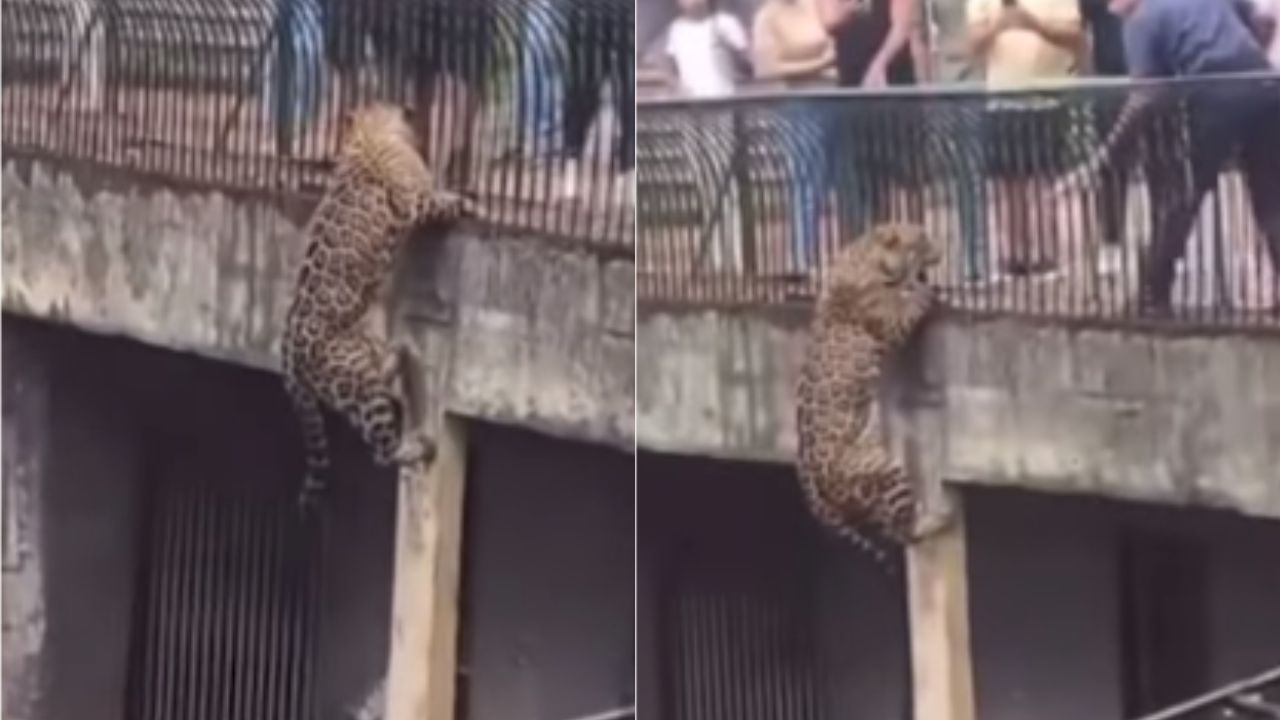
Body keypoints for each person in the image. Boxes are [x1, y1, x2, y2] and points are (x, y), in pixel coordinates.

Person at [1085, 0, 1280, 314]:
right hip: (1264, 84)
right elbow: (1260, 22)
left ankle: (1153, 295)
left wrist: (1106, 154)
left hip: (1213, 93)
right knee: (1272, 200)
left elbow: (1146, 94)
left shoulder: (1143, 21)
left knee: (1181, 196)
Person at [968, 0, 1083, 278]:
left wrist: (1033, 23)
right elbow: (971, 45)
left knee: (1043, 178)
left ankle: (1045, 256)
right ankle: (1013, 258)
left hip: (1047, 96)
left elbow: (1075, 36)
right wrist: (998, 25)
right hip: (1001, 97)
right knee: (1007, 181)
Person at [817, 0, 922, 237]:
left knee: (903, 171)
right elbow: (829, 20)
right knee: (864, 173)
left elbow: (902, 26)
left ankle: (910, 247)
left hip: (893, 80)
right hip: (852, 81)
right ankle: (873, 246)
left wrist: (879, 63)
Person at [663, 0, 752, 272]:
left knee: (726, 185)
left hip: (722, 109)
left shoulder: (725, 23)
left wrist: (729, 49)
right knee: (704, 183)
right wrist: (676, 87)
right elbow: (670, 68)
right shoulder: (676, 30)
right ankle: (715, 257)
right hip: (691, 113)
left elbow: (750, 64)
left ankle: (735, 258)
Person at [752, 0, 837, 275]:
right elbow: (767, 68)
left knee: (843, 178)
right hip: (800, 103)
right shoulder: (767, 16)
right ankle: (803, 256)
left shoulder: (816, 5)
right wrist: (821, 61)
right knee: (806, 179)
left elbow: (837, 38)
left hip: (835, 95)